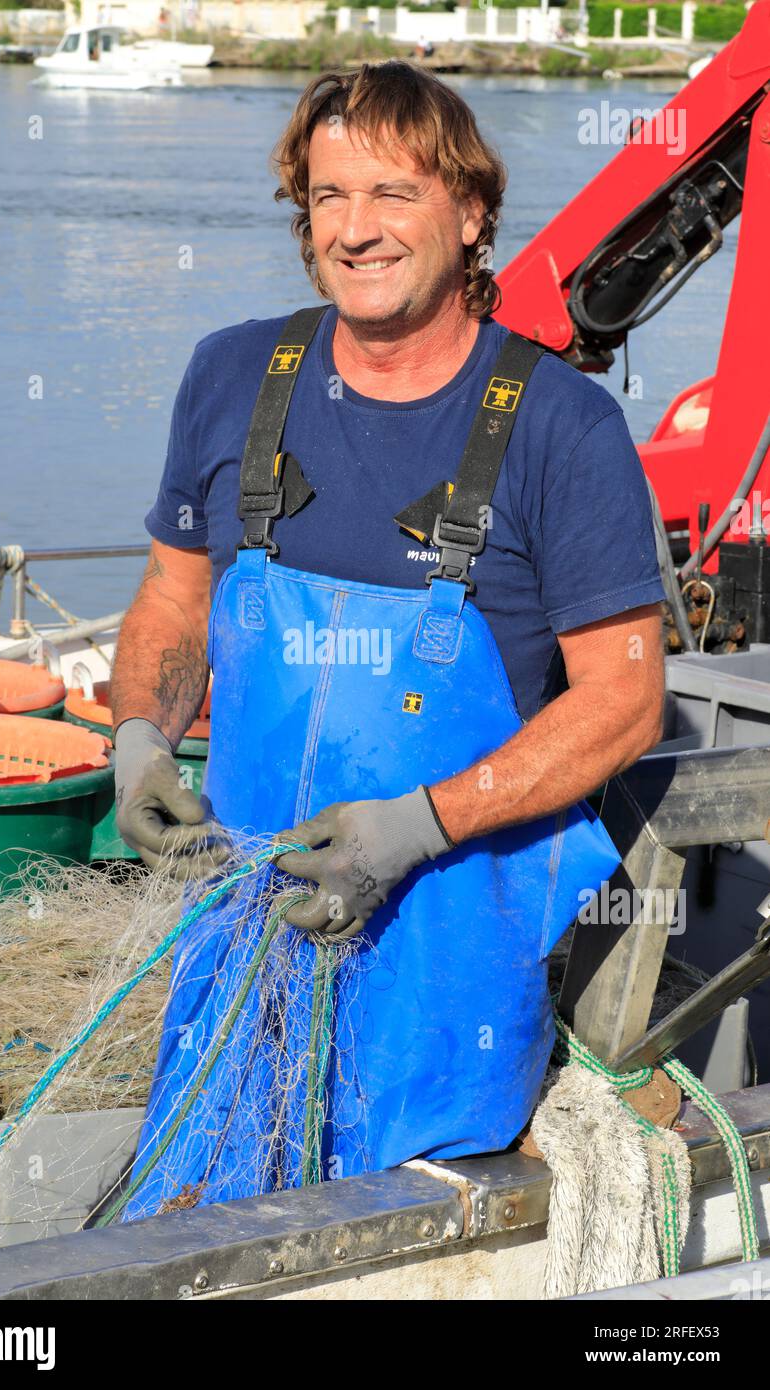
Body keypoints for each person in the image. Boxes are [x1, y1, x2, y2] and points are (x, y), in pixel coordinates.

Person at [110, 61, 665, 1200]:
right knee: (205, 1228)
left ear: (469, 214)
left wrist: (415, 825)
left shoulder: (562, 426)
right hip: (240, 948)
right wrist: (139, 738)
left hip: (440, 987)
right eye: (327, 198)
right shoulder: (230, 375)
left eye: (391, 195)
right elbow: (173, 600)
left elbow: (623, 699)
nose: (354, 231)